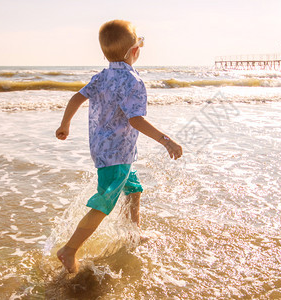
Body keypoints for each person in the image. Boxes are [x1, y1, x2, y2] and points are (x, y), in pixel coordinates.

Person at [55, 20, 182, 273]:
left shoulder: (102, 76)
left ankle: (133, 233)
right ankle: (69, 249)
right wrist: (166, 140)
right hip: (116, 155)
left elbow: (76, 97)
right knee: (104, 203)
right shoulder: (133, 81)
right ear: (135, 51)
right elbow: (136, 119)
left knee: (133, 189)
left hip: (106, 149)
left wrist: (65, 125)